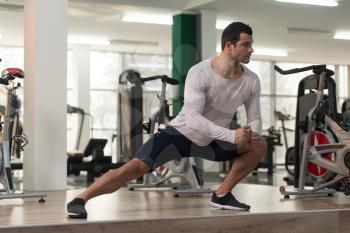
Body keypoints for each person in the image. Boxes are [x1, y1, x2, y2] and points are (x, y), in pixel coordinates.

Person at [67, 21, 267, 219]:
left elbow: (255, 117)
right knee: (133, 168)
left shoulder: (251, 80)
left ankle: (222, 195)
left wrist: (253, 133)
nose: (251, 49)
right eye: (246, 44)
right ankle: (80, 199)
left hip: (212, 141)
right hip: (179, 135)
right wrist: (232, 135)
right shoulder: (200, 72)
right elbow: (193, 119)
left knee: (259, 145)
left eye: (251, 44)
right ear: (229, 46)